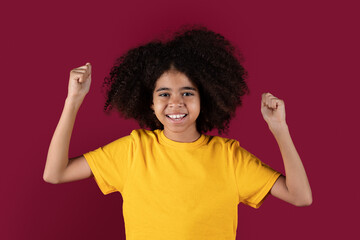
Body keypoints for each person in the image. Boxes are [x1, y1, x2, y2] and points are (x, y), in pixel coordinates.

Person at [43, 25, 312, 240]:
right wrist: (73, 101)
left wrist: (280, 129)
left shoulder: (230, 158)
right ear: (149, 102)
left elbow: (300, 197)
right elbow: (55, 174)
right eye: (164, 94)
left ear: (204, 98)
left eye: (187, 93)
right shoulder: (132, 150)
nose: (175, 102)